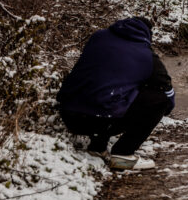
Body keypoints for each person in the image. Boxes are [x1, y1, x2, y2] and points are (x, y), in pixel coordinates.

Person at [56, 17, 175, 170]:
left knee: (105, 87)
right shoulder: (145, 54)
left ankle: (97, 147)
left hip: (70, 115)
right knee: (158, 100)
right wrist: (167, 108)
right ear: (147, 34)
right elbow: (165, 88)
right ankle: (123, 154)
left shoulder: (98, 37)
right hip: (102, 121)